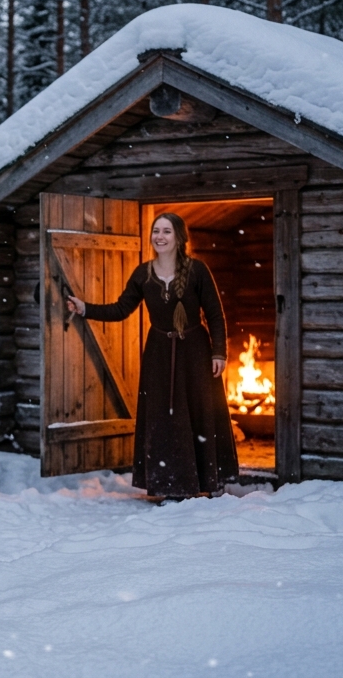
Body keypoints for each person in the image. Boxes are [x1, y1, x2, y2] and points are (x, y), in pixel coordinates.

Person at [66, 213, 238, 500]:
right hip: (159, 353)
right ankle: (168, 484)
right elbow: (121, 309)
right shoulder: (143, 274)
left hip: (195, 351)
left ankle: (202, 481)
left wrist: (219, 352)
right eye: (156, 231)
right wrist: (86, 309)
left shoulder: (198, 271)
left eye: (166, 231)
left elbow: (215, 315)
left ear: (179, 237)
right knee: (163, 417)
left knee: (198, 414)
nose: (160, 236)